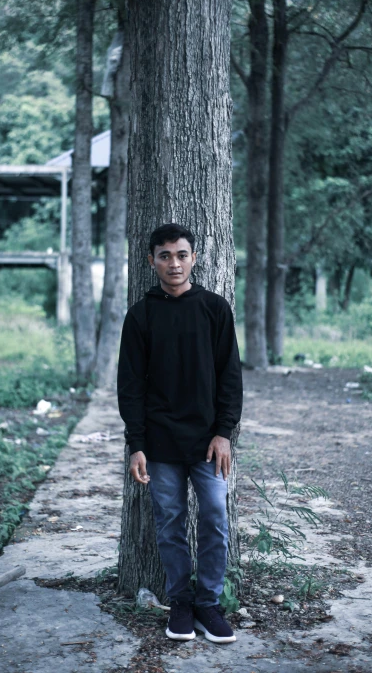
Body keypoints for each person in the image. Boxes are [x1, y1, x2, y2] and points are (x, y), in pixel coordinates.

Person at [117, 223, 243, 644]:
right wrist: (136, 445)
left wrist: (224, 432)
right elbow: (130, 386)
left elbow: (230, 377)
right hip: (160, 443)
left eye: (182, 254)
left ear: (194, 258)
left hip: (208, 442)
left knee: (214, 516)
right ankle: (181, 603)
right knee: (169, 523)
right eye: (165, 255)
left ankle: (208, 602)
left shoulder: (214, 308)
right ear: (151, 260)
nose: (174, 263)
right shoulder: (141, 315)